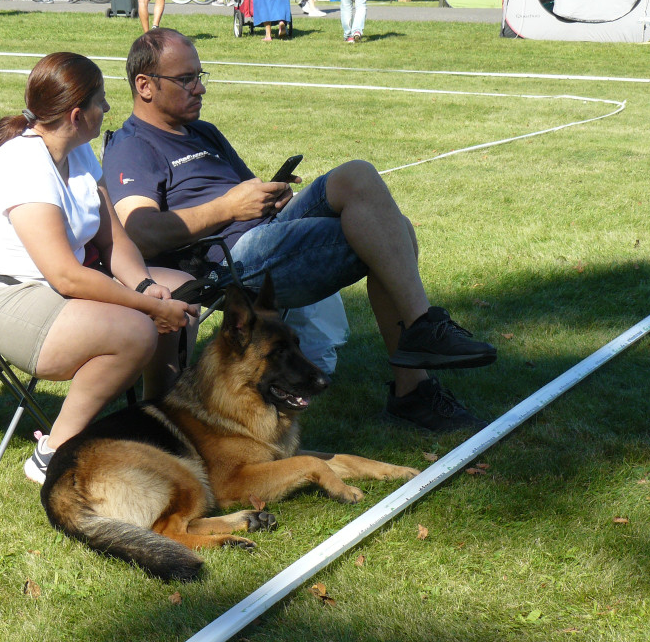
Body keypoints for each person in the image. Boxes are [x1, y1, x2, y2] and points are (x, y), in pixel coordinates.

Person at [102, 29, 498, 433]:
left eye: (200, 75)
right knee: (391, 235)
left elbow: (245, 192)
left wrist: (268, 197)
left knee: (357, 178)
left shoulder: (203, 132)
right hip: (230, 262)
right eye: (186, 79)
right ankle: (416, 377)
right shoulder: (132, 147)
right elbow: (140, 231)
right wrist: (229, 206)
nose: (200, 88)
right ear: (145, 86)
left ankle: (422, 332)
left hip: (265, 232)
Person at [0, 51, 197, 484]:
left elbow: (112, 238)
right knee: (136, 330)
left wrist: (147, 284)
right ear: (77, 114)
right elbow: (65, 276)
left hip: (46, 287)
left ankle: (155, 427)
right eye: (102, 101)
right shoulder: (24, 164)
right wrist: (145, 307)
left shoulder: (78, 152)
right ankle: (52, 453)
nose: (108, 109)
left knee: (179, 290)